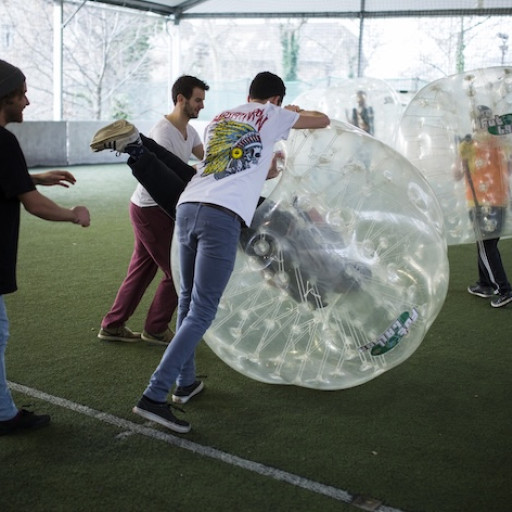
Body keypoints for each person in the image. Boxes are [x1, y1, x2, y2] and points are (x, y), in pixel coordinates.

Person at [90, 71, 330, 433]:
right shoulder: (273, 114)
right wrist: (296, 111)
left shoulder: (220, 118)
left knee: (187, 300)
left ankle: (185, 384)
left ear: (248, 93)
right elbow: (322, 121)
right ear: (275, 100)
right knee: (202, 310)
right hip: (221, 215)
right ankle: (154, 396)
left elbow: (226, 167)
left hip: (188, 206)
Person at [0, 60, 90, 435]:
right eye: (22, 93)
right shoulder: (3, 140)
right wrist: (74, 214)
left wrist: (34, 178)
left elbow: (8, 178)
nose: (27, 101)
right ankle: (4, 417)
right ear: (4, 96)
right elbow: (33, 204)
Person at [97, 75, 209, 346]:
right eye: (197, 100)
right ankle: (156, 328)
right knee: (178, 270)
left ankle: (112, 325)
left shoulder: (190, 132)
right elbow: (165, 171)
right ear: (180, 99)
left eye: (203, 101)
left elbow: (206, 161)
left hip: (156, 210)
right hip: (151, 209)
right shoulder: (163, 131)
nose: (201, 106)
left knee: (142, 269)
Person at [456, 105, 512, 308]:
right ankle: (485, 284)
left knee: (486, 247)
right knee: (486, 245)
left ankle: (504, 289)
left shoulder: (468, 144)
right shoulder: (502, 144)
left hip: (480, 204)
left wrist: (461, 151)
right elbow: (508, 170)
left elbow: (457, 173)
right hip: (501, 202)